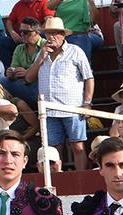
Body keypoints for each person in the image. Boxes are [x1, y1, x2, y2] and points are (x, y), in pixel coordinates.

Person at [26, 16, 94, 171]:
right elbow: (29, 78)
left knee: (78, 146)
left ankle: (81, 180)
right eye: (48, 33)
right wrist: (40, 58)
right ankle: (57, 181)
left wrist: (87, 103)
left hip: (73, 108)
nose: (51, 37)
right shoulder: (41, 53)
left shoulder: (75, 51)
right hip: (49, 111)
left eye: (55, 33)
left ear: (63, 35)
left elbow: (89, 78)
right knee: (53, 151)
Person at [0, 0, 55, 68]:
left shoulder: (44, 2)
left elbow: (49, 20)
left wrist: (36, 31)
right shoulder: (19, 4)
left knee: (44, 36)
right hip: (20, 38)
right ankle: (9, 70)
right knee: (2, 41)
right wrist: (13, 33)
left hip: (37, 35)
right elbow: (9, 22)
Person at [3, 17, 44, 106]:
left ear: (37, 32)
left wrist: (27, 72)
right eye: (20, 31)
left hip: (40, 85)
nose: (22, 34)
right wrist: (11, 73)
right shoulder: (19, 48)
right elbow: (14, 67)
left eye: (26, 32)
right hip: (23, 84)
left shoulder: (45, 46)